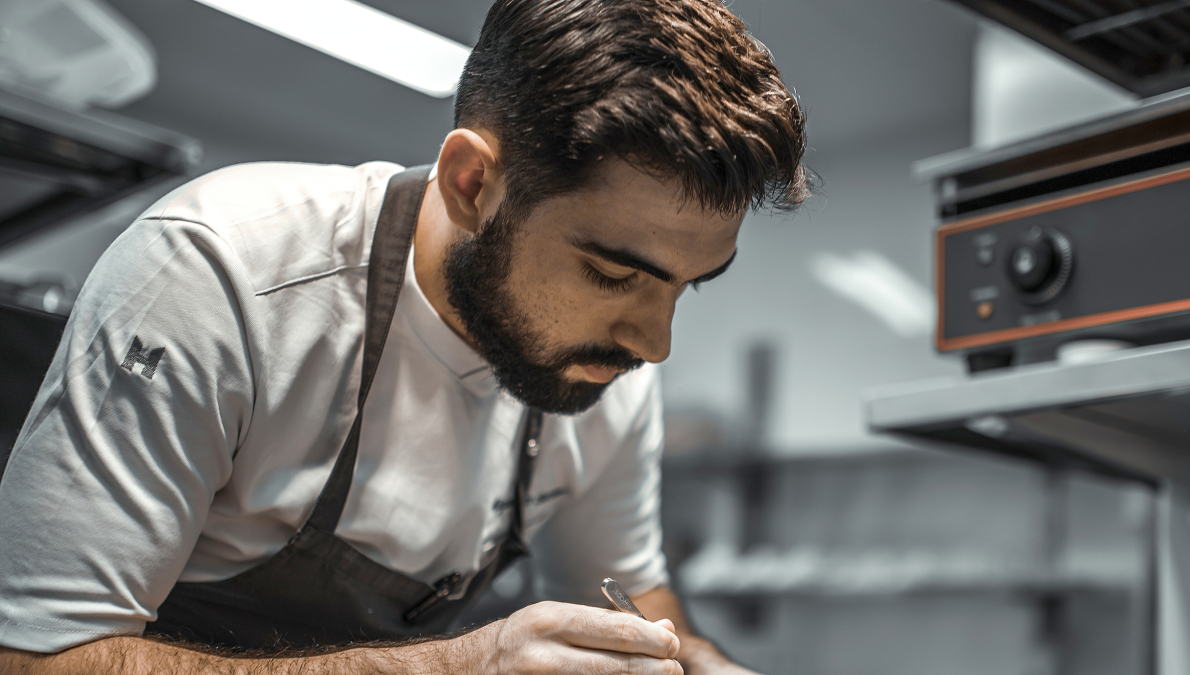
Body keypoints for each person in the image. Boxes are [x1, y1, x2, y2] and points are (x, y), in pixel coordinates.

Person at [0, 0, 809, 672]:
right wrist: (453, 667)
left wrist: (697, 660)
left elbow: (628, 592)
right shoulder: (224, 272)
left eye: (689, 284)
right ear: (471, 183)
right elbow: (35, 657)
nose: (654, 342)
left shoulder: (602, 368)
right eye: (610, 273)